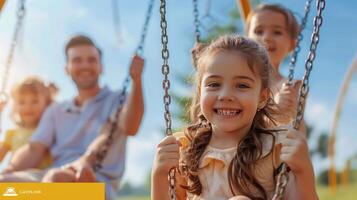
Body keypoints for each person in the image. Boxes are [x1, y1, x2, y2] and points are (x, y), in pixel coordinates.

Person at [151, 35, 318, 200]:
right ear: (200, 92)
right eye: (214, 84)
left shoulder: (275, 147)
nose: (225, 95)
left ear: (262, 98)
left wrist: (303, 171)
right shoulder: (186, 148)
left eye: (242, 85)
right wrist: (159, 175)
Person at [0, 35, 145, 200]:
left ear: (101, 67)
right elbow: (34, 149)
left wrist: (137, 81)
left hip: (95, 184)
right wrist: (8, 170)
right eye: (77, 60)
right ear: (66, 69)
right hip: (48, 179)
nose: (85, 65)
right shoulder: (56, 110)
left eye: (91, 60)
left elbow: (131, 127)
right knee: (4, 186)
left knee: (56, 183)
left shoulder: (117, 100)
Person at [245, 4, 304, 128]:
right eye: (259, 31)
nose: (266, 37)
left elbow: (299, 131)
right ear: (246, 39)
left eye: (277, 32)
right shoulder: (236, 79)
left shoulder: (292, 88)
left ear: (292, 44)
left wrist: (282, 113)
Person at [0, 77, 56, 168]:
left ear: (47, 104)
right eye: (22, 102)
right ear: (15, 106)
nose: (28, 107)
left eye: (35, 101)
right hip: (15, 177)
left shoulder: (50, 131)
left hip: (43, 178)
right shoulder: (12, 134)